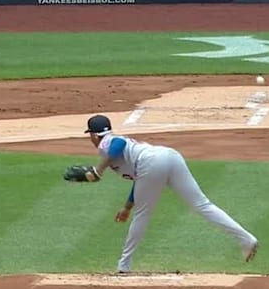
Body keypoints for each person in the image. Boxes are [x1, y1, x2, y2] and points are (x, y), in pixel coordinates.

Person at [83, 114, 259, 274]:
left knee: (143, 214)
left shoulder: (105, 142)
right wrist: (127, 207)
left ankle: (124, 265)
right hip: (169, 156)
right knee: (202, 205)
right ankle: (246, 239)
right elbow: (141, 180)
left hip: (151, 162)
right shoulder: (116, 147)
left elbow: (117, 143)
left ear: (93, 135)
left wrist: (99, 170)